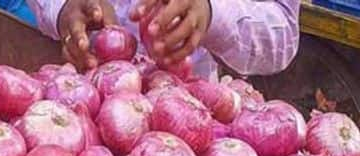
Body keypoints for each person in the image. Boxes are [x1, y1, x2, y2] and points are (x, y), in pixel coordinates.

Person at [25, 0, 301, 79]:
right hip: (78, 106)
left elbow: (283, 32)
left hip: (189, 127)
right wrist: (61, 7)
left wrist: (212, 13)